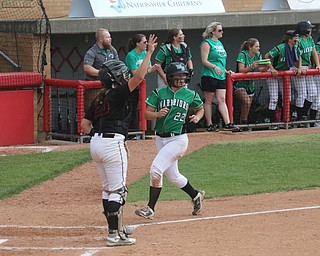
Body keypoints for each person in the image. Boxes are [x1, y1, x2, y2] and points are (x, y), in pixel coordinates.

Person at [80, 34, 158, 247]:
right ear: (115, 77)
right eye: (122, 74)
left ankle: (118, 230)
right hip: (112, 144)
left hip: (96, 143)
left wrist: (102, 133)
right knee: (118, 190)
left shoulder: (99, 97)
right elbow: (139, 78)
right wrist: (149, 52)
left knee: (108, 189)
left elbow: (84, 126)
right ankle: (114, 235)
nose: (125, 76)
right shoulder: (118, 93)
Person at [135, 62, 205, 220]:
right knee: (173, 176)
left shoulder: (190, 94)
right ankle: (196, 196)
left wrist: (197, 117)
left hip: (179, 139)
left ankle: (150, 209)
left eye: (183, 75)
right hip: (160, 138)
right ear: (170, 77)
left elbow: (200, 108)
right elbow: (147, 114)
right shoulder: (159, 93)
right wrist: (157, 114)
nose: (182, 78)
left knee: (156, 170)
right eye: (178, 76)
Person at [200, 22, 239, 132]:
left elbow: (221, 61)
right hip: (209, 75)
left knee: (222, 99)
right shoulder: (206, 43)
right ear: (212, 31)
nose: (221, 32)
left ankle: (228, 122)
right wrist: (214, 67)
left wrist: (225, 71)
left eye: (222, 30)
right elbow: (204, 60)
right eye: (219, 30)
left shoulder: (220, 44)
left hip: (220, 75)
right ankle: (209, 124)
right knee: (209, 100)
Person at [264, 31, 301, 127]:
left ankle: (285, 121)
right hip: (273, 74)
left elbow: (297, 59)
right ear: (289, 39)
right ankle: (273, 123)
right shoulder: (280, 48)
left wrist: (299, 67)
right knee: (274, 98)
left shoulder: (295, 48)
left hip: (283, 73)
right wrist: (271, 69)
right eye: (295, 38)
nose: (297, 39)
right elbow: (266, 56)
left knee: (287, 97)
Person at [125, 34, 159, 132]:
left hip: (140, 85)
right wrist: (148, 71)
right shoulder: (131, 55)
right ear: (137, 44)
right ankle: (130, 130)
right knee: (130, 108)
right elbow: (135, 73)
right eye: (144, 42)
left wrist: (151, 69)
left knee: (138, 108)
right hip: (131, 85)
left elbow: (149, 67)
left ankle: (136, 131)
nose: (146, 44)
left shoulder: (145, 53)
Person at [234, 38, 268, 130]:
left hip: (250, 84)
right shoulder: (243, 54)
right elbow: (241, 70)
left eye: (259, 46)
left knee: (248, 105)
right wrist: (252, 66)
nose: (258, 48)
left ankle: (243, 123)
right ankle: (243, 124)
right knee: (246, 101)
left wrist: (267, 65)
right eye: (256, 46)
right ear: (250, 47)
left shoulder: (258, 55)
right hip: (239, 84)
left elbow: (261, 69)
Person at [292, 21, 320, 124]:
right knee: (302, 93)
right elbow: (296, 55)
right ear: (304, 30)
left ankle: (303, 114)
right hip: (297, 67)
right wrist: (299, 67)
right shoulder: (297, 40)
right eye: (309, 29)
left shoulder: (309, 39)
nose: (311, 30)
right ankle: (299, 118)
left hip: (307, 67)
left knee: (313, 93)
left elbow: (313, 52)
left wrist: (318, 65)